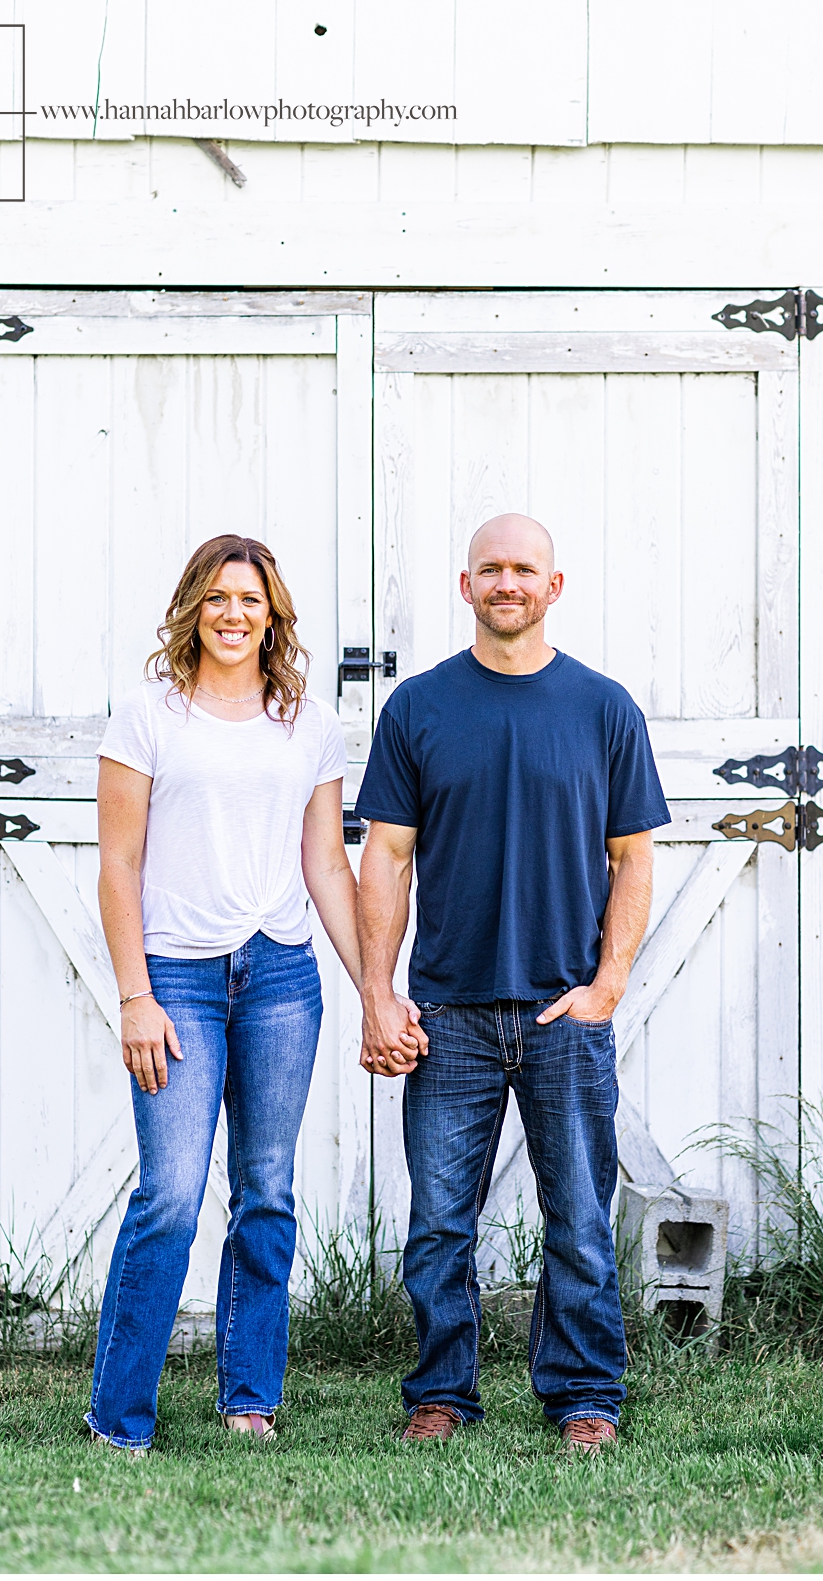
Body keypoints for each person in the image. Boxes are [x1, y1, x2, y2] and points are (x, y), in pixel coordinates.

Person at [355, 512, 669, 1453]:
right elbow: (387, 858)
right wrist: (380, 992)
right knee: (439, 1224)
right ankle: (441, 1393)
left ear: (553, 587)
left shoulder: (605, 708)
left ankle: (584, 1397)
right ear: (465, 586)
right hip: (447, 1010)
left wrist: (608, 985)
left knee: (576, 1217)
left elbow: (633, 858)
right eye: (489, 569)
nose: (507, 583)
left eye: (523, 569)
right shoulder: (417, 708)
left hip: (564, 1009)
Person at [86, 534, 399, 1452]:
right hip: (176, 977)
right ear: (193, 606)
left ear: (273, 616)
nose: (234, 614)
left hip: (280, 977)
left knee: (265, 1192)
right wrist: (134, 995)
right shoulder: (149, 714)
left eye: (251, 600)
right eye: (218, 597)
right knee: (172, 1196)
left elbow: (326, 865)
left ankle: (250, 1400)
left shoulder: (304, 720)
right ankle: (120, 1417)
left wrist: (374, 988)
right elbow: (119, 864)